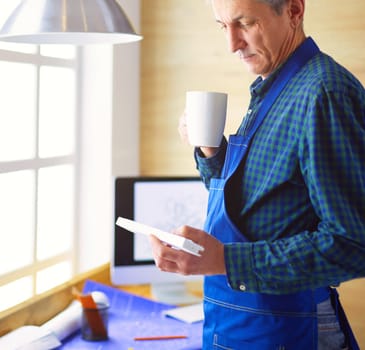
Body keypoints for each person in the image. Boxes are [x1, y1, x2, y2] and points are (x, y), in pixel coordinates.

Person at [148, 0, 365, 348]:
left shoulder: (323, 93)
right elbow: (253, 206)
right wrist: (211, 152)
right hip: (241, 323)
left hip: (287, 329)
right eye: (223, 26)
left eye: (245, 23)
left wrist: (225, 260)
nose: (232, 44)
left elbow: (353, 244)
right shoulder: (272, 89)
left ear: (293, 11)